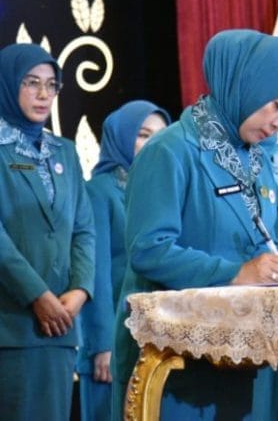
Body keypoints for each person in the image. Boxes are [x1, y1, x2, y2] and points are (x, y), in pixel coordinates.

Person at [109, 29, 278, 420]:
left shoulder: (256, 161)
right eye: (277, 106)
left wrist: (274, 272)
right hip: (174, 359)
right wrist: (236, 273)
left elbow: (260, 239)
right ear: (247, 84)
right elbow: (149, 250)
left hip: (242, 351)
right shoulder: (170, 149)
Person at [0, 43, 95, 421]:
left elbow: (84, 229)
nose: (43, 94)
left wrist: (80, 290)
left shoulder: (65, 151)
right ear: (8, 84)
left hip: (62, 326)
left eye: (51, 84)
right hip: (11, 326)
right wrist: (37, 295)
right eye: (31, 83)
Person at [76, 100, 171, 421]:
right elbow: (95, 273)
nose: (154, 143)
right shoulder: (99, 191)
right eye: (143, 135)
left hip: (154, 336)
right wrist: (102, 345)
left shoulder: (161, 194)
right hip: (111, 341)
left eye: (161, 135)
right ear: (121, 137)